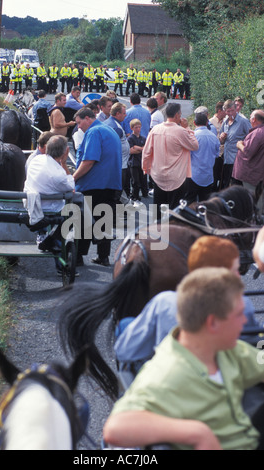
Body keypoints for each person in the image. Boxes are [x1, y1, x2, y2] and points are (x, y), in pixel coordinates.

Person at [104, 266, 264, 451]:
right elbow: (116, 428)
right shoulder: (168, 373)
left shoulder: (227, 351)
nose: (244, 322)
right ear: (212, 323)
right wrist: (197, 433)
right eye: (238, 315)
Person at [114, 236, 263, 374]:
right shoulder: (245, 305)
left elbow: (124, 351)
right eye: (236, 270)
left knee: (125, 325)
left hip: (170, 373)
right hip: (227, 371)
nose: (239, 276)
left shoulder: (164, 302)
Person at [73, 107, 122, 267]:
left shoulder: (94, 132)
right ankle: (103, 256)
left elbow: (88, 161)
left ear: (88, 118)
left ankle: (78, 257)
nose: (78, 127)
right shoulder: (109, 129)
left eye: (79, 123)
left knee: (83, 221)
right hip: (111, 183)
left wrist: (72, 178)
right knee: (104, 220)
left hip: (93, 184)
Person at [24, 135, 75, 273]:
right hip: (50, 209)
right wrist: (64, 163)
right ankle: (52, 241)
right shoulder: (58, 175)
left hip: (30, 203)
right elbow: (72, 189)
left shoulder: (37, 160)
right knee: (76, 210)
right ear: (65, 152)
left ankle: (51, 240)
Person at [142, 102, 198, 217]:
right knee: (174, 210)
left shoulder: (155, 129)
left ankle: (158, 230)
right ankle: (171, 231)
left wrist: (146, 169)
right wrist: (187, 127)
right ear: (177, 115)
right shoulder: (181, 131)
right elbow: (194, 145)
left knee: (158, 207)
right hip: (176, 176)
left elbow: (146, 152)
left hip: (158, 175)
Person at [232, 109, 264, 217]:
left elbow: (248, 152)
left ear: (254, 119)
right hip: (258, 173)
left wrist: (239, 144)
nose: (249, 119)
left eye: (250, 117)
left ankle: (253, 224)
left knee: (252, 201)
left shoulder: (258, 133)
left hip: (251, 174)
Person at [185, 113, 220, 203]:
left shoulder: (193, 136)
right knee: (204, 205)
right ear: (207, 122)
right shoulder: (214, 137)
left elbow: (187, 155)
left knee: (189, 203)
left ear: (194, 122)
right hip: (208, 176)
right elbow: (217, 154)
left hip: (193, 175)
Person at [219, 99, 251, 188]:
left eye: (232, 111)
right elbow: (221, 142)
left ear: (236, 109)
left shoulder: (243, 121)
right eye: (228, 111)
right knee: (226, 186)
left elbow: (251, 137)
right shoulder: (225, 123)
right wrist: (222, 138)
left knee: (236, 186)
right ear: (225, 111)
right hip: (226, 160)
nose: (230, 113)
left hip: (237, 161)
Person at [104, 102, 131, 200]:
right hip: (119, 166)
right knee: (117, 193)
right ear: (118, 114)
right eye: (124, 113)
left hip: (118, 164)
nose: (125, 115)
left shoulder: (110, 122)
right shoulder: (116, 128)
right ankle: (115, 213)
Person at [127, 119, 147, 203]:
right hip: (133, 162)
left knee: (143, 179)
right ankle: (135, 196)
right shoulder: (130, 139)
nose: (138, 129)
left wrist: (138, 147)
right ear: (132, 128)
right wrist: (141, 148)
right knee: (135, 181)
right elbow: (131, 150)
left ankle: (145, 193)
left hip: (142, 161)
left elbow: (146, 149)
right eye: (136, 127)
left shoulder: (143, 138)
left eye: (139, 127)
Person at [209, 101, 226, 190]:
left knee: (222, 177)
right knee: (214, 177)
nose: (226, 113)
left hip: (224, 154)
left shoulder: (226, 122)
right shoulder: (210, 122)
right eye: (224, 110)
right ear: (219, 111)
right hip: (215, 154)